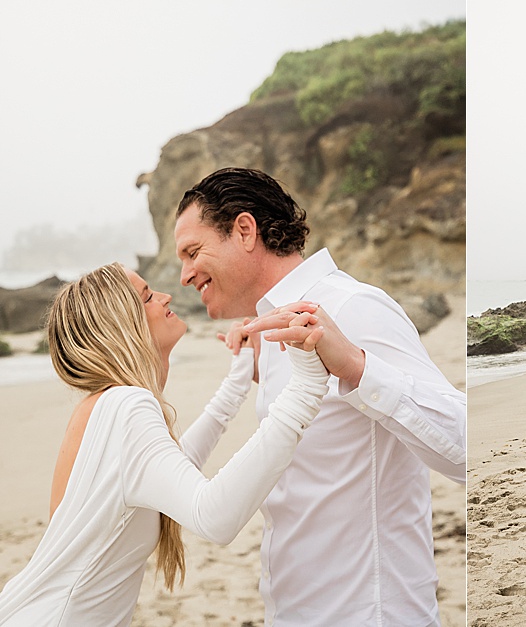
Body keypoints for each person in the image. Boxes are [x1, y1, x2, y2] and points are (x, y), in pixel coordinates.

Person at [174, 167, 466, 625]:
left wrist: (354, 365)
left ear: (245, 230)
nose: (186, 275)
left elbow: (469, 452)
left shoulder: (352, 308)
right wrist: (256, 369)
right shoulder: (277, 329)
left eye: (192, 252)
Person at [0, 264, 330, 626]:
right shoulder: (126, 406)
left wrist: (238, 378)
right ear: (123, 325)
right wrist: (306, 386)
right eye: (147, 296)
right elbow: (214, 517)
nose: (166, 296)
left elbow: (177, 468)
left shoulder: (104, 406)